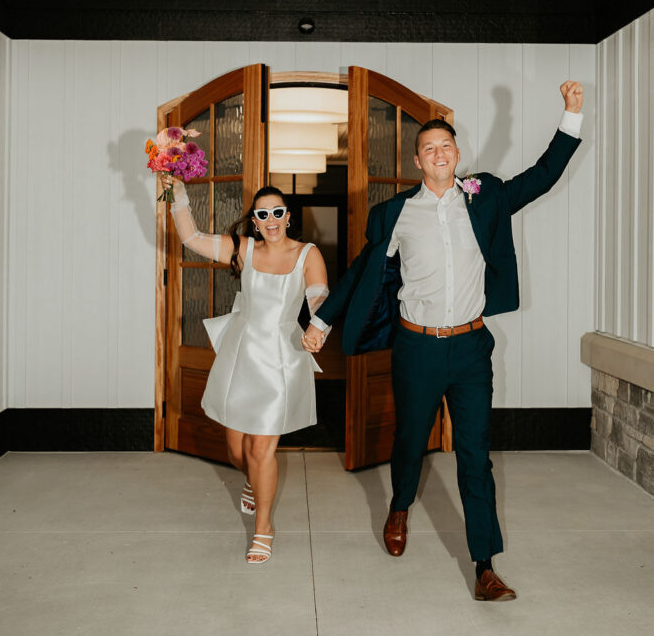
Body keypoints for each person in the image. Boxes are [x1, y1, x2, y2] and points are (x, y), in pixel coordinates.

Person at [302, 80, 584, 600]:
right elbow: (362, 272)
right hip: (418, 348)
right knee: (410, 440)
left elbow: (543, 177)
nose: (439, 154)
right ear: (417, 160)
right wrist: (321, 322)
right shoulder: (394, 214)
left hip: (472, 347)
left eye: (446, 146)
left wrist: (571, 115)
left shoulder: (487, 196)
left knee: (475, 454)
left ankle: (485, 565)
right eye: (429, 148)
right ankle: (400, 506)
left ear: (458, 154)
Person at [163, 175, 329, 564]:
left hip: (281, 358)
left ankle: (264, 528)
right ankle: (252, 483)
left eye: (278, 212)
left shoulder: (308, 253)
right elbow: (191, 237)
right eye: (262, 213)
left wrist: (317, 328)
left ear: (288, 216)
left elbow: (319, 297)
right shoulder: (244, 249)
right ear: (254, 221)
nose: (271, 219)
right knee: (238, 450)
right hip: (241, 354)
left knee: (261, 447)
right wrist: (176, 191)